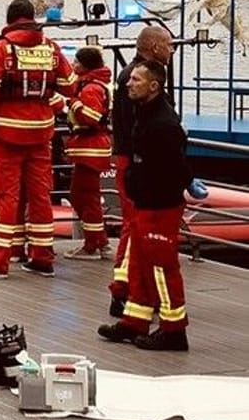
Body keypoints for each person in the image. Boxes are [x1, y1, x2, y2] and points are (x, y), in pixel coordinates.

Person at [0, 0, 77, 279]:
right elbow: (70, 86)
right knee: (40, 196)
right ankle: (42, 257)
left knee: (7, 196)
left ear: (9, 20)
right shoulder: (51, 49)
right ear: (33, 18)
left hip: (6, 135)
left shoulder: (0, 50)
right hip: (42, 133)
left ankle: (0, 260)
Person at [97, 60, 195, 352]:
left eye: (136, 80)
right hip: (144, 203)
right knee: (138, 266)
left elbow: (173, 167)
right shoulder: (144, 114)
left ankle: (174, 330)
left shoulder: (163, 124)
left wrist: (158, 195)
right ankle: (134, 321)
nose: (128, 83)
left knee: (162, 268)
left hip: (159, 207)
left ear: (153, 86)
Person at [108, 26, 174, 313]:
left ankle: (127, 288)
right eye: (169, 44)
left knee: (134, 226)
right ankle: (125, 290)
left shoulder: (134, 75)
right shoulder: (137, 80)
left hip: (133, 159)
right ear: (155, 46)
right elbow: (138, 126)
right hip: (135, 161)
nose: (172, 50)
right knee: (135, 225)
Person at [62, 46, 113, 260]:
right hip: (90, 148)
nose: (73, 65)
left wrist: (73, 104)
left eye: (76, 62)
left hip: (90, 147)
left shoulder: (91, 88)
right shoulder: (94, 85)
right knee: (84, 196)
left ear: (84, 65)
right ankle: (98, 241)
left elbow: (91, 116)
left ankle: (93, 244)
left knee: (83, 197)